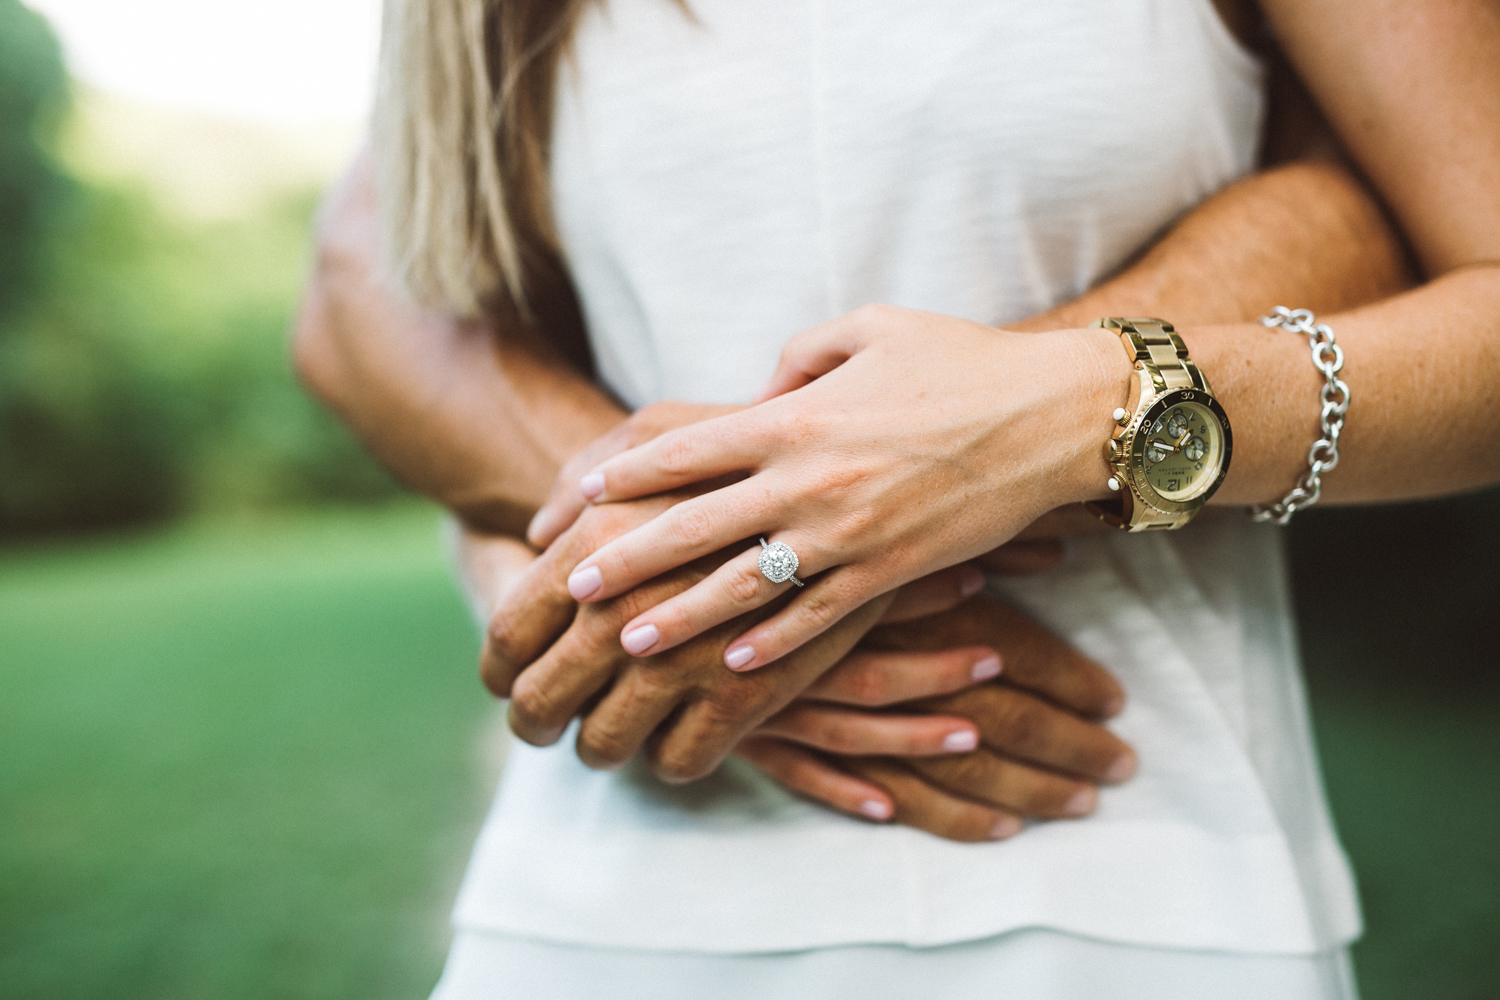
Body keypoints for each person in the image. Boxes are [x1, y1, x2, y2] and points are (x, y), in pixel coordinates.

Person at [293, 0, 1499, 997]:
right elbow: (378, 283)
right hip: (612, 888)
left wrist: (1068, 412)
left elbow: (1432, 233)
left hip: (1134, 875)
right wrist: (671, 570)